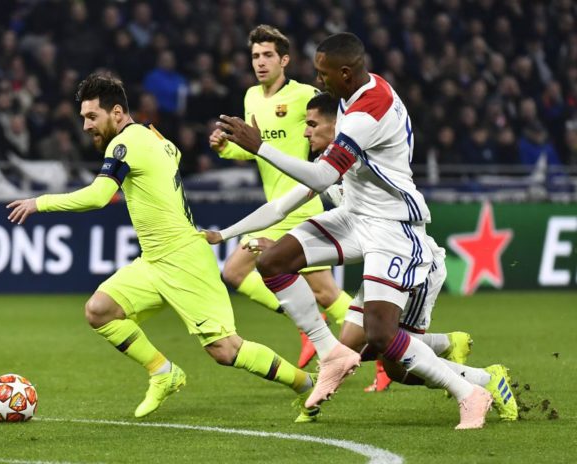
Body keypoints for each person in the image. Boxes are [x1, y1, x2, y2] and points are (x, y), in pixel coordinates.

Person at [216, 32, 504, 429]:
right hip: (356, 216)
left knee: (383, 340)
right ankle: (331, 353)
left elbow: (321, 176)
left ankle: (472, 392)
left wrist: (260, 147)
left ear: (346, 73)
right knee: (275, 261)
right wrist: (225, 233)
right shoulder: (355, 95)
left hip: (392, 227)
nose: (319, 80)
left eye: (324, 74)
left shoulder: (367, 113)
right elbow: (292, 198)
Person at [6, 72, 320, 423]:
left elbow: (98, 196)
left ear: (117, 113)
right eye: (83, 117)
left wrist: (39, 203)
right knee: (100, 310)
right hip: (154, 260)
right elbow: (175, 153)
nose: (86, 126)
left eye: (92, 116)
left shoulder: (125, 143)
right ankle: (163, 372)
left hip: (184, 259)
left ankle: (307, 385)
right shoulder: (152, 134)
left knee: (225, 350)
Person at [209, 24, 351, 368]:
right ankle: (316, 328)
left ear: (284, 60)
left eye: (268, 55)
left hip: (300, 205)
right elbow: (256, 149)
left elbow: (337, 123)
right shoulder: (251, 97)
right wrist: (225, 148)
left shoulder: (304, 95)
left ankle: (380, 344)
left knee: (323, 292)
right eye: (255, 56)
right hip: (276, 207)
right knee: (237, 273)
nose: (260, 62)